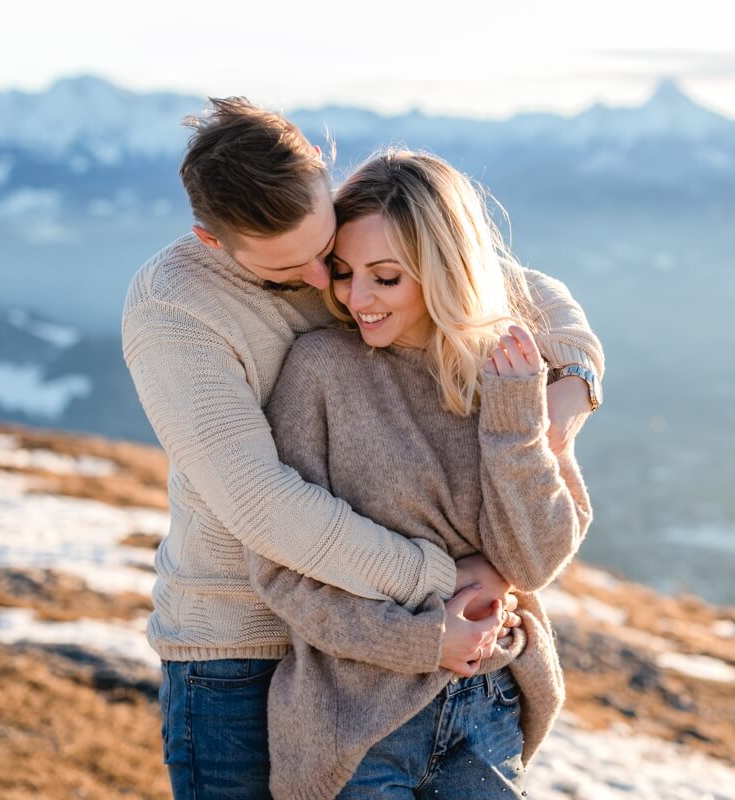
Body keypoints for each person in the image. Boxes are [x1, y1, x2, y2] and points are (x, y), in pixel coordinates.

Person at [121, 98, 604, 798]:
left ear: (324, 175)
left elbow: (507, 285)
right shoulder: (177, 309)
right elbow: (265, 507)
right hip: (236, 646)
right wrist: (455, 582)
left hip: (387, 658)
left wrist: (571, 381)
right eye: (293, 269)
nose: (330, 287)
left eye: (328, 253)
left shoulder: (356, 234)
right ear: (214, 243)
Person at [247, 149, 593, 799]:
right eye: (345, 273)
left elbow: (537, 560)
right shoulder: (318, 371)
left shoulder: (511, 371)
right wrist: (421, 643)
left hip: (490, 709)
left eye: (386, 278)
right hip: (355, 725)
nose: (356, 298)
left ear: (443, 272)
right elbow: (282, 572)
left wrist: (517, 423)